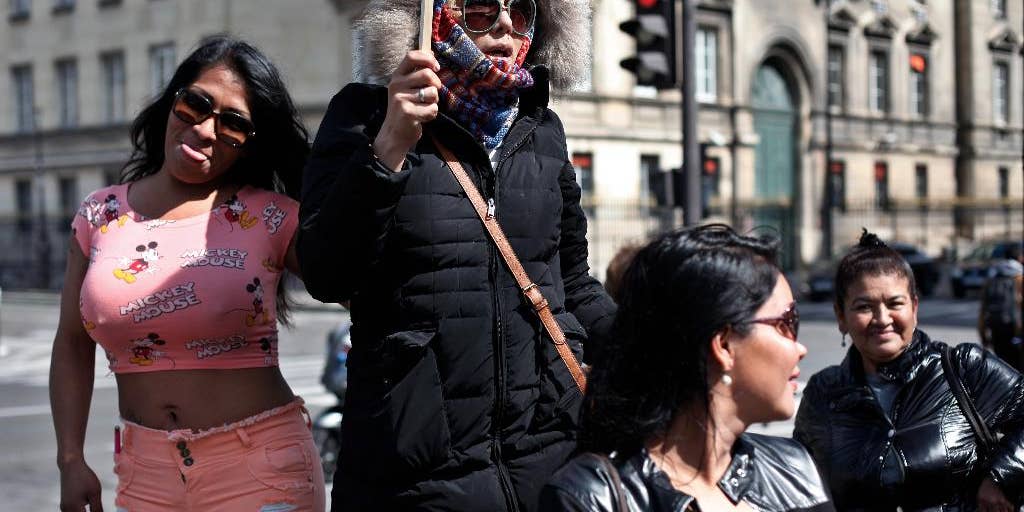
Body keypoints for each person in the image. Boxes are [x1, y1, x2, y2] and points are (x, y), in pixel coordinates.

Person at [298, 0, 616, 509]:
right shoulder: (363, 115)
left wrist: (649, 346)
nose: (507, 25)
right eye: (482, 8)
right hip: (415, 470)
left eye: (523, 10)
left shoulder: (542, 127)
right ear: (439, 15)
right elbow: (327, 273)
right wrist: (389, 148)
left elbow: (573, 283)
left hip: (547, 454)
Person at [49, 36, 323, 511]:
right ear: (173, 100)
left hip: (261, 468)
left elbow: (352, 283)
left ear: (248, 144)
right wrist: (70, 459)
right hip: (146, 475)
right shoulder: (100, 214)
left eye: (234, 124)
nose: (206, 129)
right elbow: (72, 342)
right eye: (197, 103)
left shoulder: (273, 216)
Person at [540, 225, 834, 512]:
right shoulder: (592, 496)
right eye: (786, 324)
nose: (800, 347)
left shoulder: (795, 469)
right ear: (724, 345)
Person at [795, 230, 1024, 511]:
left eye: (895, 304)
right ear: (841, 317)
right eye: (864, 307)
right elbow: (802, 485)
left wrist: (1000, 477)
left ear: (914, 307)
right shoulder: (823, 394)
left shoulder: (964, 370)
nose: (882, 319)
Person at [978, 243, 1024, 372]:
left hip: (996, 328)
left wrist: (983, 333)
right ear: (1020, 257)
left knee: (1003, 369)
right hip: (1017, 331)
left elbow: (983, 309)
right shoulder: (1020, 278)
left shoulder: (991, 279)